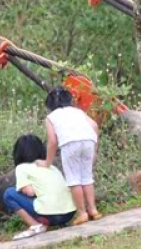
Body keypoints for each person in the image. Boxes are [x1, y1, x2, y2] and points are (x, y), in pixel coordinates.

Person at [37, 86, 102, 226]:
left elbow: (52, 141)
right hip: (88, 140)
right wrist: (94, 149)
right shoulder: (78, 111)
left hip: (70, 143)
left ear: (49, 104)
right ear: (69, 100)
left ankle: (82, 213)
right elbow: (95, 126)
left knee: (74, 179)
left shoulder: (51, 117)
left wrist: (47, 162)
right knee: (87, 177)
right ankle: (93, 210)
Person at [3, 135, 77, 240]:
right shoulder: (51, 166)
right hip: (69, 214)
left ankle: (35, 226)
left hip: (53, 215)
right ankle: (46, 221)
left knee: (9, 193)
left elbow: (30, 192)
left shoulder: (21, 168)